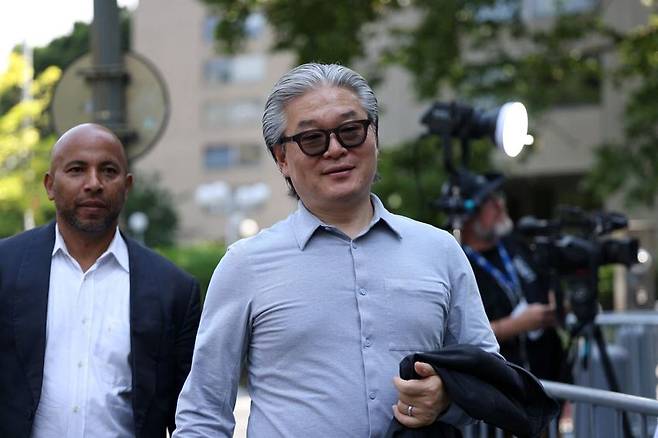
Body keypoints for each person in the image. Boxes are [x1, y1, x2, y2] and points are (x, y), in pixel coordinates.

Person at [173, 63, 499, 437]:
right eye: (312, 138)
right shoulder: (245, 265)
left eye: (350, 131)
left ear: (374, 136)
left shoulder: (439, 250)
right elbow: (203, 412)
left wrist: (447, 397)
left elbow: (490, 373)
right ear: (282, 158)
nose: (335, 149)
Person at [0, 123, 201, 438]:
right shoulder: (5, 267)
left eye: (108, 171)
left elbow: (191, 417)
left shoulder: (173, 290)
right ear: (50, 185)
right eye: (77, 170)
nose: (93, 183)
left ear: (127, 185)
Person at [457, 171, 565, 381]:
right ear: (469, 216)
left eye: (499, 197)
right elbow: (462, 338)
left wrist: (557, 302)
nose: (500, 205)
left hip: (550, 377)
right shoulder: (459, 262)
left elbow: (547, 286)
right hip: (502, 385)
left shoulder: (514, 245)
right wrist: (516, 325)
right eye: (490, 202)